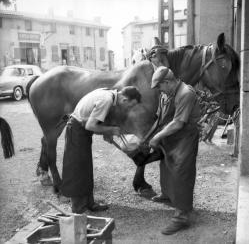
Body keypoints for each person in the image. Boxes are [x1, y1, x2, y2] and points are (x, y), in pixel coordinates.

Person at [61, 86, 141, 214]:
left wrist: (105, 132)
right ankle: (78, 208)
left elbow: (92, 120)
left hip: (82, 130)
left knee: (86, 168)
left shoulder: (109, 94)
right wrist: (110, 130)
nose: (129, 109)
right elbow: (90, 125)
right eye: (130, 106)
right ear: (125, 100)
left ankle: (89, 203)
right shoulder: (107, 100)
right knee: (77, 169)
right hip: (76, 130)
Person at [148, 66, 200, 235]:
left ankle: (182, 216)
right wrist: (151, 134)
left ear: (168, 82)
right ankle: (168, 194)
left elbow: (178, 123)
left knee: (181, 173)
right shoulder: (167, 93)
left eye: (159, 86)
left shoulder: (186, 93)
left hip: (185, 138)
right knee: (166, 166)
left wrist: (156, 138)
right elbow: (160, 117)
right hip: (170, 137)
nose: (158, 90)